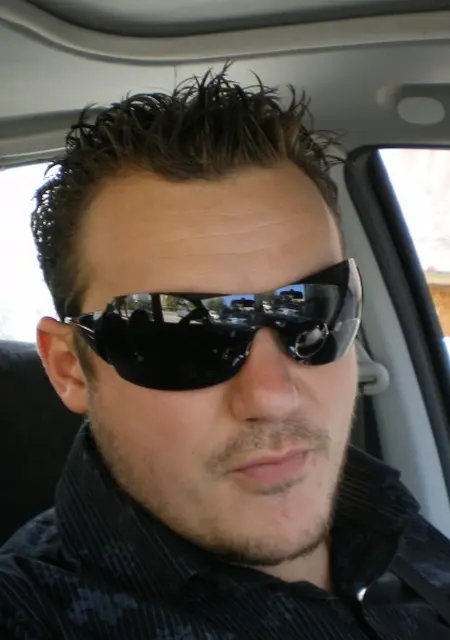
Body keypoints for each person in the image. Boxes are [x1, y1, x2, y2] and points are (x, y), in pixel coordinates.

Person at [1, 68, 450, 640]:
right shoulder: (30, 613)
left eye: (309, 310)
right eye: (183, 336)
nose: (272, 395)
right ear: (70, 369)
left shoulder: (383, 509)